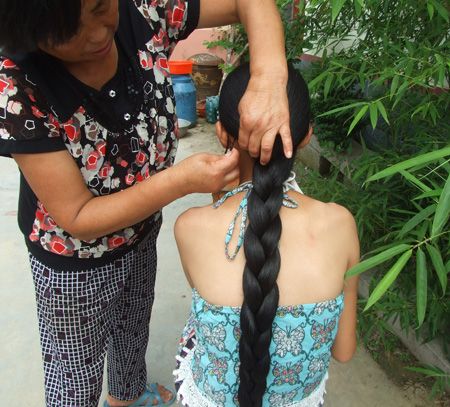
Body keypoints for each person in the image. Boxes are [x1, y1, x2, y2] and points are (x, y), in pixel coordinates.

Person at [0, 1, 293, 406]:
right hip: (72, 263)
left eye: (102, 8)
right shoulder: (16, 83)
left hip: (141, 230)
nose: (100, 34)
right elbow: (78, 218)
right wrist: (180, 181)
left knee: (132, 326)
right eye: (69, 33)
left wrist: (269, 74)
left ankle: (126, 396)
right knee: (75, 371)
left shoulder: (144, 10)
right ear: (30, 37)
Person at [173, 62, 360, 407]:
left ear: (221, 132)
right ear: (305, 136)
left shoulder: (189, 227)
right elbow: (344, 350)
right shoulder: (341, 224)